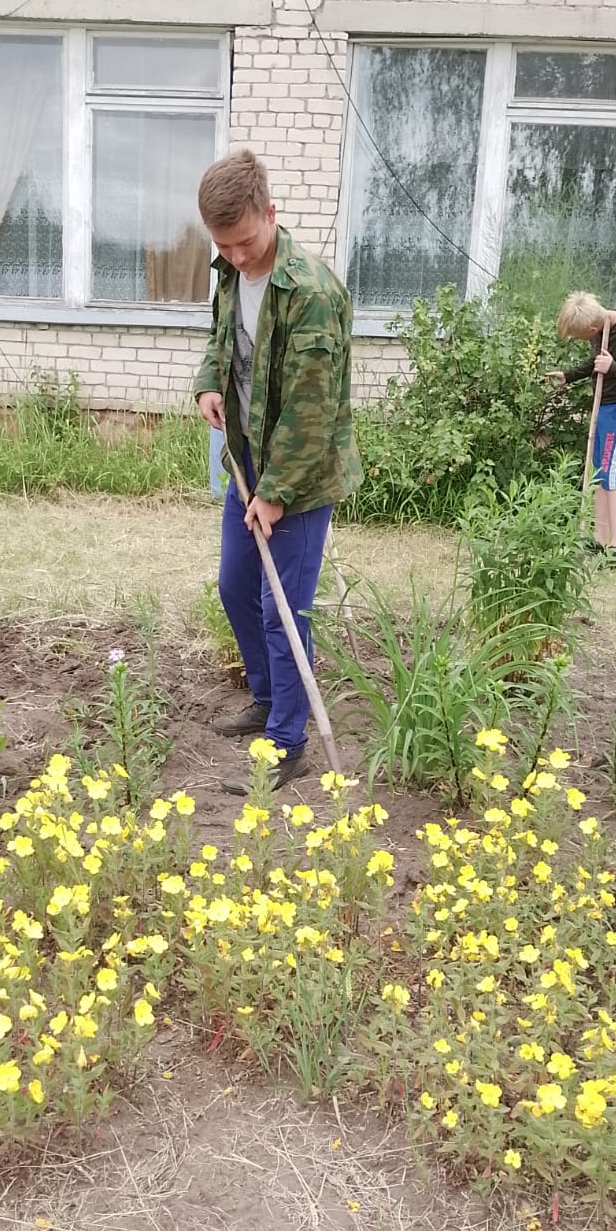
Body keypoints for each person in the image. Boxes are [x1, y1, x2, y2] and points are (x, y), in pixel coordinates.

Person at [193, 150, 362, 791]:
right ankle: (266, 695)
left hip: (300, 470)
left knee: (281, 606)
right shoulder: (232, 273)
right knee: (236, 586)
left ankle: (289, 738)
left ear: (271, 212)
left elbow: (310, 412)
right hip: (250, 459)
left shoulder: (311, 292)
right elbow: (220, 342)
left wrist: (278, 492)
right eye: (223, 246)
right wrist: (209, 384)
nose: (235, 256)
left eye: (244, 242)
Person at [547, 291, 616, 565]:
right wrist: (569, 376)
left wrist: (615, 368)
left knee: (613, 475)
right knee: (599, 473)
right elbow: (597, 362)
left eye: (580, 336)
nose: (581, 340)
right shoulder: (601, 328)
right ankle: (599, 541)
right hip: (606, 409)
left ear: (592, 328)